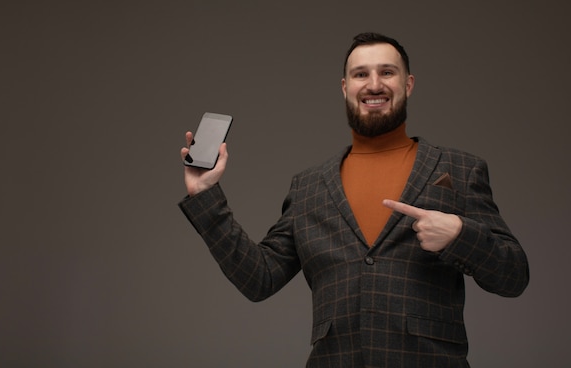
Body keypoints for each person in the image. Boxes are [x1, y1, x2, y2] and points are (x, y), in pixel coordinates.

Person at [178, 32, 529, 368]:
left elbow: (513, 277)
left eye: (387, 72)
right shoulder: (308, 187)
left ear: (408, 84)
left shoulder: (460, 169)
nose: (374, 84)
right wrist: (205, 197)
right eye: (361, 74)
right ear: (346, 88)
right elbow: (259, 279)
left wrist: (460, 236)